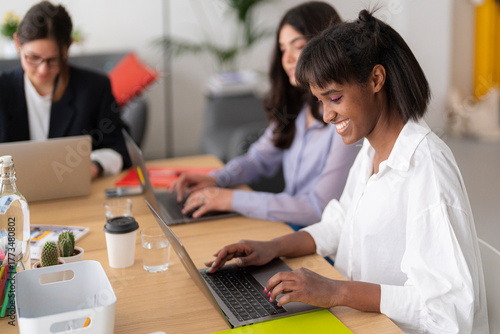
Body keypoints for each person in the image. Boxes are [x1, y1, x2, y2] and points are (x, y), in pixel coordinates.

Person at [204, 10, 489, 333]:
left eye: (334, 98)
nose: (326, 115)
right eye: (319, 101)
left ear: (376, 79)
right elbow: (340, 222)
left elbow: (449, 312)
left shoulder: (427, 169)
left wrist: (336, 291)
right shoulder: (371, 148)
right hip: (357, 322)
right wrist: (273, 247)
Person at [169, 2, 360, 227]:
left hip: (321, 243)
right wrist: (216, 179)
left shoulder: (344, 118)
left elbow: (318, 208)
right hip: (289, 227)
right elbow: (258, 159)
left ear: (325, 48)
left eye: (297, 46)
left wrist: (230, 199)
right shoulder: (296, 107)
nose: (287, 59)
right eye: (282, 49)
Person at [0, 1, 131, 179]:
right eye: (33, 58)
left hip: (75, 197)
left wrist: (95, 165)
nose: (42, 70)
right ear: (17, 43)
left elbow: (121, 147)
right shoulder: (3, 89)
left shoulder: (94, 88)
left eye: (53, 60)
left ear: (68, 47)